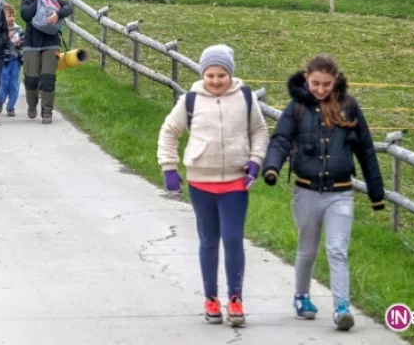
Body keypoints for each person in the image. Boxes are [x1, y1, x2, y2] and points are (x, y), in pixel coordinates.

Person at [262, 54, 385, 331]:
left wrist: (376, 193)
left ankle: (342, 306)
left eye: (326, 84)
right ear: (306, 78)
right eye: (315, 83)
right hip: (306, 191)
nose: (320, 89)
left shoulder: (349, 107)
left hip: (340, 193)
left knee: (337, 250)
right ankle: (302, 297)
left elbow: (365, 149)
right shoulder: (296, 108)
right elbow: (280, 139)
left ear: (335, 81)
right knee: (307, 249)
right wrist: (272, 167)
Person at [158, 45, 268, 327]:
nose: (216, 81)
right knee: (208, 240)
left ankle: (235, 299)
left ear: (230, 74)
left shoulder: (244, 97)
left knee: (233, 239)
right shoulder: (191, 100)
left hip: (235, 181)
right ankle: (210, 298)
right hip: (201, 182)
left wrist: (255, 160)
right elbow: (169, 131)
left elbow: (258, 130)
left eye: (221, 75)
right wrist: (169, 167)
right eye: (210, 75)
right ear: (202, 74)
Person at [20, 0, 72, 124]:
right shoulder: (27, 0)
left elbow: (69, 8)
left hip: (51, 43)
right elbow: (25, 15)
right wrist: (40, 0)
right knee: (31, 79)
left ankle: (47, 112)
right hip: (31, 44)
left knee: (48, 78)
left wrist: (58, 14)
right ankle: (32, 105)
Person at [0, 3, 23, 117]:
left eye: (13, 16)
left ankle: (11, 106)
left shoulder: (19, 29)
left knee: (14, 83)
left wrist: (19, 43)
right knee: (4, 81)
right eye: (9, 16)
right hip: (3, 59)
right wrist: (7, 37)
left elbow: (23, 43)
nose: (11, 18)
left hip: (15, 59)